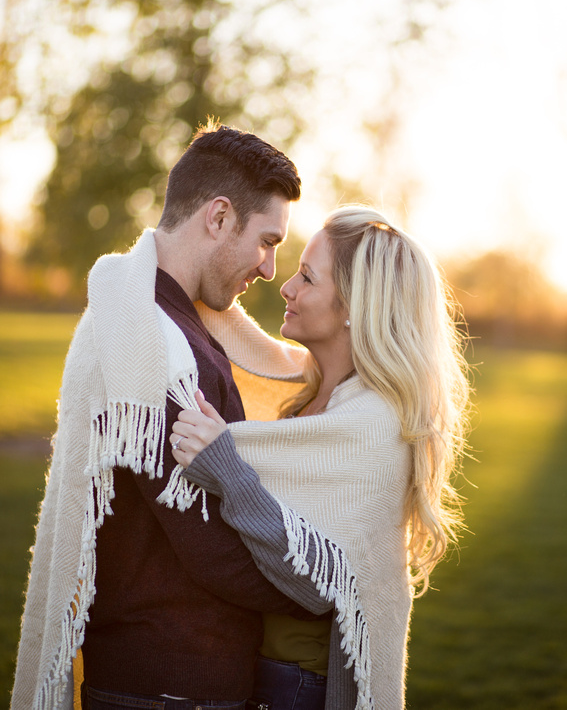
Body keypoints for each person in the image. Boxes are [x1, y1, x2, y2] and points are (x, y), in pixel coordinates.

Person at [11, 121, 331, 710]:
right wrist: (323, 586)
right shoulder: (154, 346)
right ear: (216, 217)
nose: (267, 268)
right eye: (266, 240)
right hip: (169, 686)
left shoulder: (167, 324)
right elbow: (211, 551)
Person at [168, 205, 472, 710]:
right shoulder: (307, 396)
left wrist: (227, 467)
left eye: (307, 277)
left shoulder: (375, 422)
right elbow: (225, 327)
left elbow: (316, 580)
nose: (285, 287)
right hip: (258, 669)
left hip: (304, 687)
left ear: (355, 304)